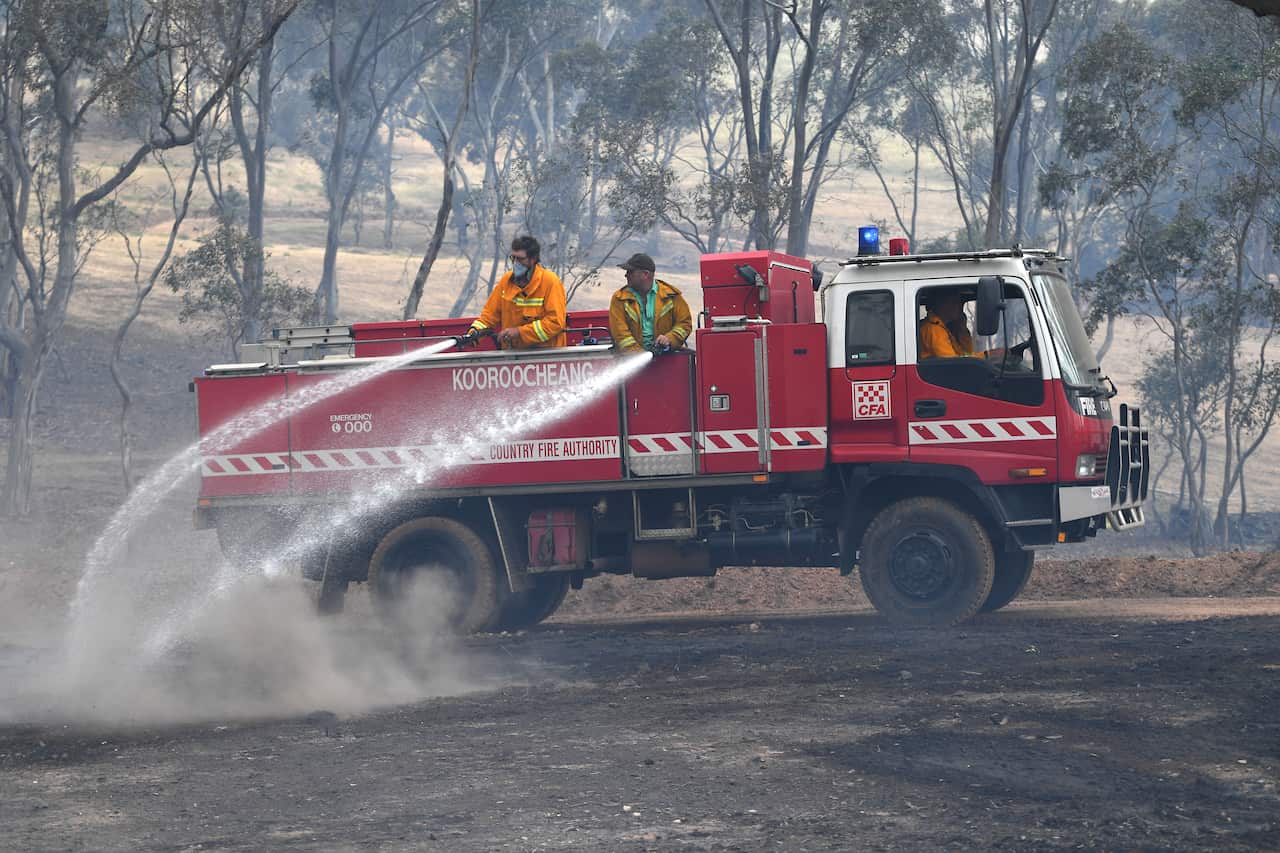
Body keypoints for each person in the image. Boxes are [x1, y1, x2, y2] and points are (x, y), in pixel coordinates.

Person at [467, 235, 567, 349]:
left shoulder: (550, 282)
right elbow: (489, 316)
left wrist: (519, 332)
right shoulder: (506, 282)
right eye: (513, 258)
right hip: (513, 356)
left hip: (546, 358)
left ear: (533, 259)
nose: (515, 263)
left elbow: (555, 323)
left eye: (520, 259)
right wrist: (473, 334)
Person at [608, 253, 693, 353]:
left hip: (666, 361)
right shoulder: (619, 299)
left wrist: (669, 338)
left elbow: (684, 324)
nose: (626, 275)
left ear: (645, 274)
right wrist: (639, 355)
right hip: (632, 362)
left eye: (630, 272)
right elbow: (621, 334)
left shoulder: (671, 296)